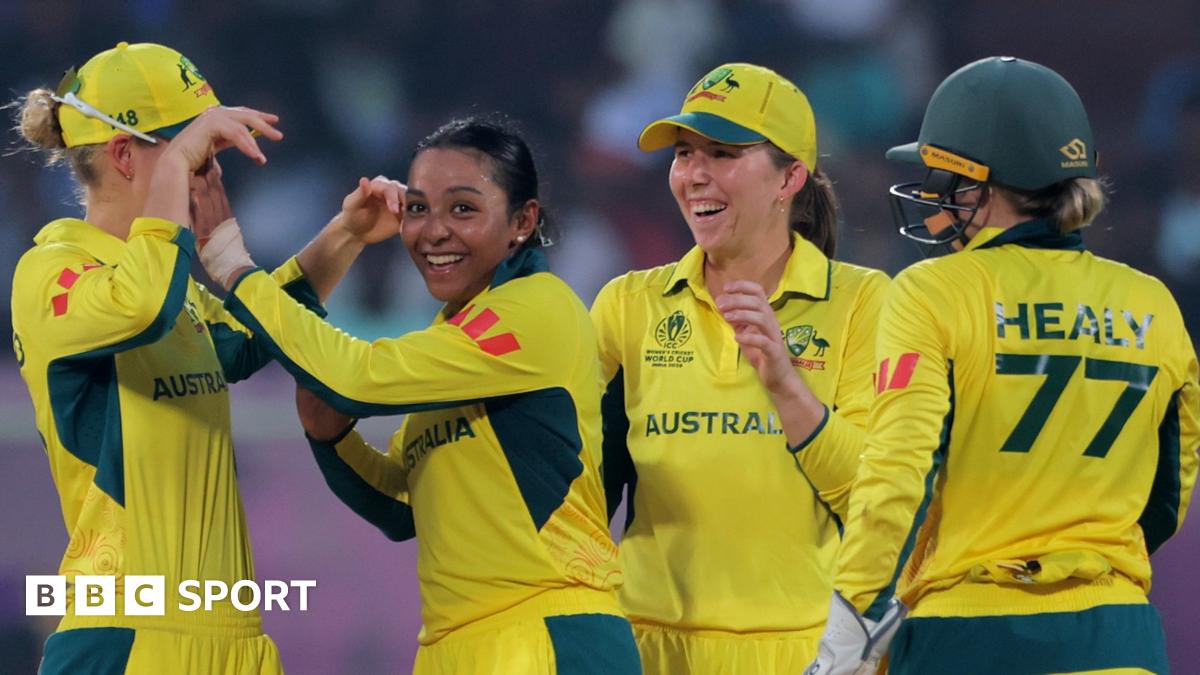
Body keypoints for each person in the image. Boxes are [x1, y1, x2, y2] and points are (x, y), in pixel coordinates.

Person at [197, 116, 642, 675]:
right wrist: (333, 440)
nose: (433, 231)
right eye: (418, 208)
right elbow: (404, 506)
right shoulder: (454, 334)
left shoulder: (537, 309)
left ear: (523, 221)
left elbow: (356, 378)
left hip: (548, 634)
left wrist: (234, 266)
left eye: (463, 208)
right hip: (455, 643)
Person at [807, 56, 1200, 675]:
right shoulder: (1153, 304)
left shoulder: (932, 290)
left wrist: (855, 613)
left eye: (946, 178)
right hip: (1119, 633)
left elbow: (899, 473)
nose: (937, 196)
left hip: (970, 633)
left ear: (983, 186)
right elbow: (1167, 497)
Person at [9, 42, 302, 673]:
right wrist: (175, 193)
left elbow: (253, 339)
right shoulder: (52, 271)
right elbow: (140, 307)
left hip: (233, 637)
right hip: (127, 632)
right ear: (124, 155)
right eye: (194, 149)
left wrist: (347, 236)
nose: (210, 170)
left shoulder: (169, 283)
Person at [590, 62, 889, 673]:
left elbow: (878, 499)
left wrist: (785, 384)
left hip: (808, 650)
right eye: (683, 153)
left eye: (723, 154)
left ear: (790, 178)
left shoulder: (864, 301)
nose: (694, 174)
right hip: (651, 647)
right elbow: (579, 486)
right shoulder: (627, 303)